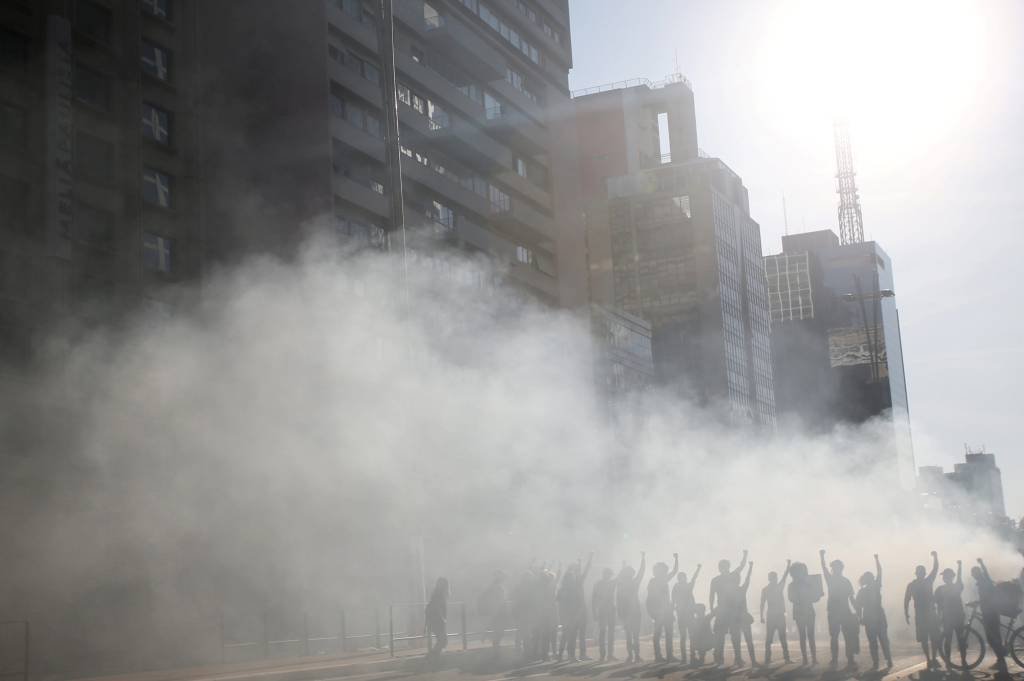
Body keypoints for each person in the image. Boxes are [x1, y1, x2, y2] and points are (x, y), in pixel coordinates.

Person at [820, 549, 858, 669]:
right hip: (835, 611)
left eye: (838, 567)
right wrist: (821, 557)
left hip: (842, 611)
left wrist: (857, 610)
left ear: (841, 568)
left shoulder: (843, 581)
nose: (837, 569)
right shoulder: (833, 579)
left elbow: (851, 597)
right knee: (835, 636)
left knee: (845, 636)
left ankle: (848, 658)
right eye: (835, 567)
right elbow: (824, 568)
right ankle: (836, 658)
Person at [709, 550, 748, 666]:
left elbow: (742, 566)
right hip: (722, 610)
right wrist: (712, 609)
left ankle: (738, 658)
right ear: (719, 568)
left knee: (735, 635)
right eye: (721, 567)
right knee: (720, 636)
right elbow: (711, 595)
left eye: (725, 566)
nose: (723, 568)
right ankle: (719, 658)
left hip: (733, 610)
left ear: (728, 567)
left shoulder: (733, 575)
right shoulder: (715, 580)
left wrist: (745, 555)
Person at [903, 550, 940, 669]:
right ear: (917, 573)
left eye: (922, 572)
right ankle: (930, 659)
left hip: (928, 613)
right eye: (920, 572)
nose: (921, 574)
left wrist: (935, 557)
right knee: (925, 638)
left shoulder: (926, 581)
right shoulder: (913, 584)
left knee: (932, 637)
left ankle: (932, 658)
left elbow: (935, 568)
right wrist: (906, 613)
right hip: (922, 614)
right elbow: (906, 599)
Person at [855, 554, 893, 670]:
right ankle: (881, 661)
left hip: (875, 617)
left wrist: (877, 560)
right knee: (878, 640)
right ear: (867, 580)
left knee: (879, 640)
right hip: (873, 617)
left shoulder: (870, 588)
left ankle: (884, 660)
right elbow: (858, 606)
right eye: (870, 578)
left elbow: (858, 607)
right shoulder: (868, 589)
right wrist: (860, 617)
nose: (872, 579)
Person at [972, 558, 1008, 674]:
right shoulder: (983, 582)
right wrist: (978, 602)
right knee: (994, 637)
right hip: (989, 612)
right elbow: (984, 598)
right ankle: (1001, 658)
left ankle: (1001, 659)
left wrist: (982, 564)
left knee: (992, 637)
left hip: (990, 613)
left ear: (977, 574)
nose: (974, 576)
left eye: (974, 574)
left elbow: (986, 573)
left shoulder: (984, 581)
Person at [646, 553, 679, 662]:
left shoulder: (664, 579)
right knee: (658, 634)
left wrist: (676, 559)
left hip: (667, 611)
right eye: (662, 570)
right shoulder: (653, 581)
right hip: (658, 611)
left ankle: (669, 655)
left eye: (664, 570)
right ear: (657, 571)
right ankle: (658, 656)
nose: (664, 572)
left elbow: (675, 571)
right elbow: (650, 598)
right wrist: (652, 612)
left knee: (668, 633)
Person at [934, 560, 966, 670]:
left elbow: (938, 606)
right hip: (953, 616)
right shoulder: (944, 588)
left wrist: (959, 567)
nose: (944, 578)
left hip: (952, 616)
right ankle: (959, 661)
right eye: (944, 576)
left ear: (949, 577)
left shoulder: (942, 589)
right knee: (957, 639)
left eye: (945, 576)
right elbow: (938, 605)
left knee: (953, 639)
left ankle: (953, 662)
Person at [788, 560, 820, 666]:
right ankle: (807, 658)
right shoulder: (793, 585)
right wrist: (808, 597)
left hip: (806, 611)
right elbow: (791, 598)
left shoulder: (804, 584)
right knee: (804, 636)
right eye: (801, 571)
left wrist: (818, 595)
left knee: (809, 635)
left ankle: (812, 658)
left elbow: (815, 598)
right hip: (801, 611)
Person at [616, 552, 646, 663]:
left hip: (632, 613)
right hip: (630, 613)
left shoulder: (625, 583)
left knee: (632, 635)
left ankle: (633, 656)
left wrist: (643, 559)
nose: (630, 575)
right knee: (632, 636)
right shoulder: (628, 583)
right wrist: (643, 559)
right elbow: (641, 572)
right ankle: (633, 656)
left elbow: (641, 572)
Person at [760, 560, 791, 664]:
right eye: (773, 578)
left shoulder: (768, 588)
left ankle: (770, 659)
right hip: (775, 616)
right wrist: (761, 616)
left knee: (775, 638)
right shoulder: (775, 587)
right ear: (770, 579)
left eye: (774, 578)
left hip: (776, 615)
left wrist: (788, 566)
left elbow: (762, 604)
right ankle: (778, 658)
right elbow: (762, 603)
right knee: (776, 638)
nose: (774, 579)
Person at [673, 564, 702, 664]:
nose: (682, 579)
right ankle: (689, 657)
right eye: (681, 578)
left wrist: (698, 569)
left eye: (683, 578)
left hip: (684, 615)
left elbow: (673, 601)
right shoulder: (683, 587)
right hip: (686, 615)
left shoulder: (678, 587)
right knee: (688, 636)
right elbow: (694, 578)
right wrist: (698, 569)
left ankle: (686, 658)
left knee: (685, 637)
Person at [557, 569, 584, 661]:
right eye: (570, 578)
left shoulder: (574, 589)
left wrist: (577, 614)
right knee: (566, 635)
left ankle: (570, 655)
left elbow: (580, 602)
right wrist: (562, 616)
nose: (571, 580)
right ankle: (562, 655)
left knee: (571, 636)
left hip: (573, 615)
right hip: (567, 616)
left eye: (572, 578)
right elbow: (559, 603)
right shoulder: (563, 590)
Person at [592, 567, 618, 662]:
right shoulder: (599, 584)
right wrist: (594, 612)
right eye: (608, 574)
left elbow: (618, 578)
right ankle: (603, 655)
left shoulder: (611, 583)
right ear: (604, 574)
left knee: (610, 632)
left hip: (610, 610)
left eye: (609, 575)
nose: (608, 576)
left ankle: (609, 654)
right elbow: (593, 599)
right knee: (603, 632)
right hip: (603, 610)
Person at [478, 571, 508, 648]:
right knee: (499, 632)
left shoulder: (494, 587)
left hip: (496, 612)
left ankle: (488, 640)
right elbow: (500, 600)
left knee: (497, 631)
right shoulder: (498, 588)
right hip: (498, 612)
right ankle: (495, 650)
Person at [574, 553, 594, 660]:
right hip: (578, 611)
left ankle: (580, 654)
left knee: (580, 634)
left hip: (579, 611)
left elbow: (584, 572)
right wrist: (588, 560)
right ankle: (578, 654)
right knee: (579, 634)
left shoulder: (574, 582)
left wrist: (582, 563)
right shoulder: (574, 583)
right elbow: (584, 572)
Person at [425, 577, 450, 662]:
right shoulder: (439, 594)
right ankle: (432, 657)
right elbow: (437, 607)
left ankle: (434, 657)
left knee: (442, 640)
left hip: (435, 619)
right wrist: (442, 618)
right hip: (437, 619)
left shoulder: (438, 593)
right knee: (443, 640)